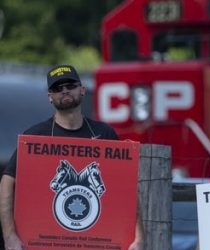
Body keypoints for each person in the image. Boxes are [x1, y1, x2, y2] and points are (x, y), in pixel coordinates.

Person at [0, 65, 144, 250]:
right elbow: (6, 182)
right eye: (57, 88)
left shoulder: (104, 133)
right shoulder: (35, 137)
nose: (65, 90)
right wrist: (9, 235)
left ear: (82, 90)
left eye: (70, 85)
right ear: (50, 97)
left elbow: (127, 189)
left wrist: (138, 237)